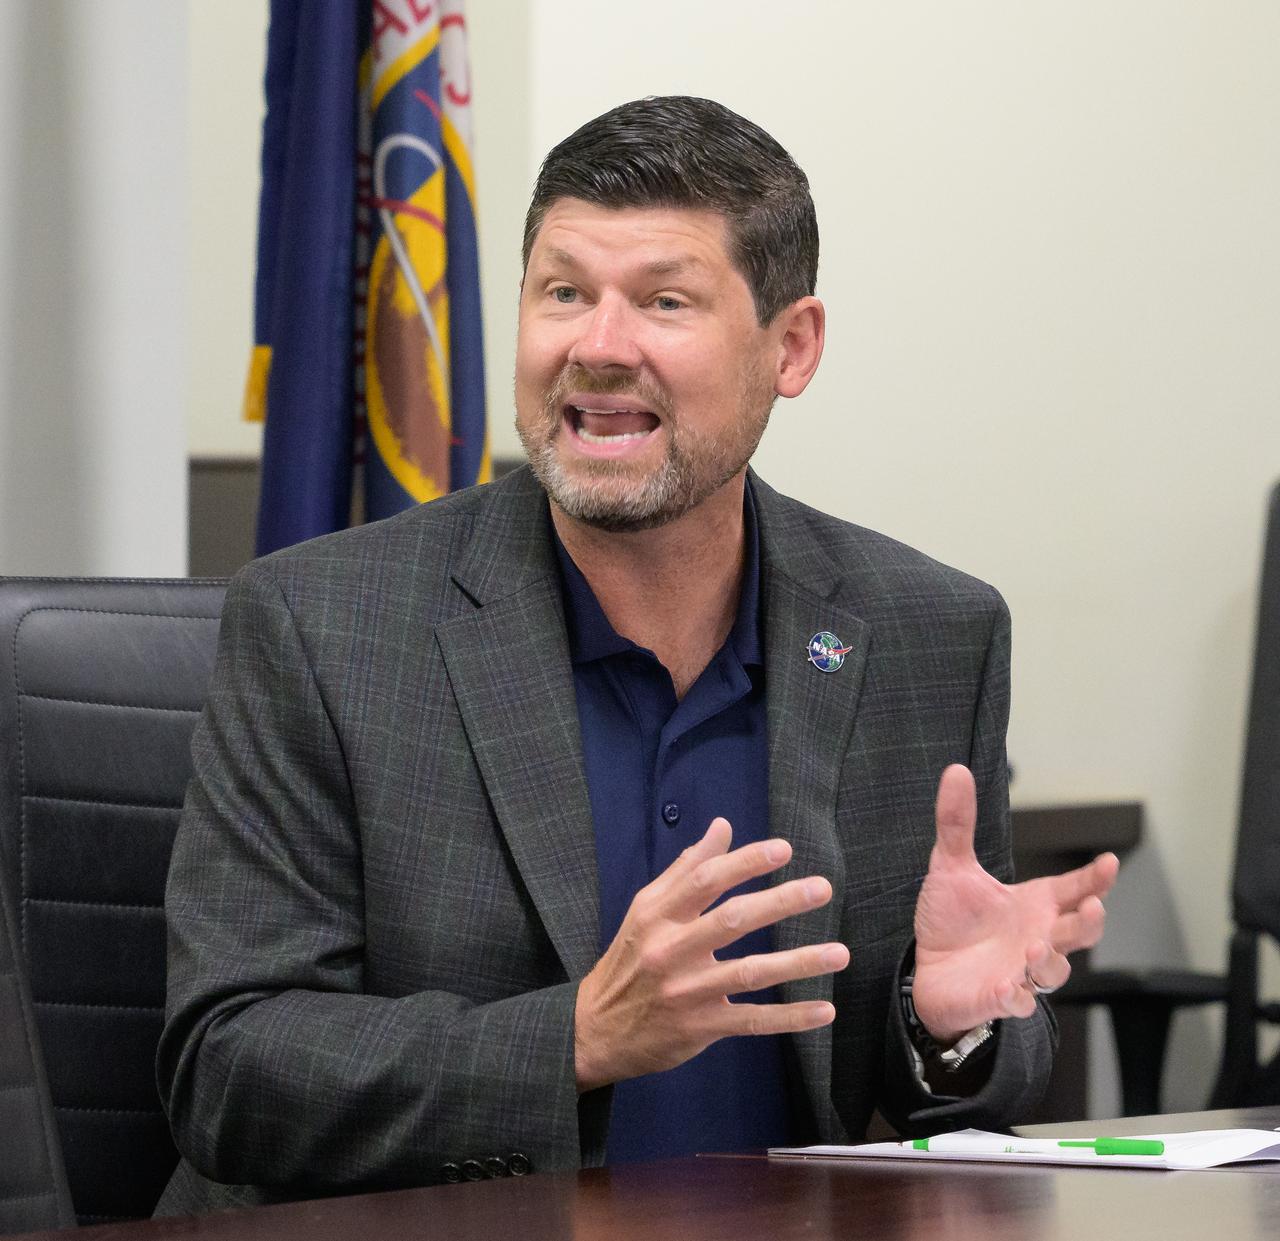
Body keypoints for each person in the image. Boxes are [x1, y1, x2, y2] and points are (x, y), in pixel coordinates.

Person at [155, 96, 1117, 1215]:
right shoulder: (322, 627)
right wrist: (574, 1036)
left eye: (663, 301)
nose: (597, 348)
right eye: (562, 292)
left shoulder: (929, 634)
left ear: (790, 346)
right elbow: (229, 1066)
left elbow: (959, 1090)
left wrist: (942, 1025)